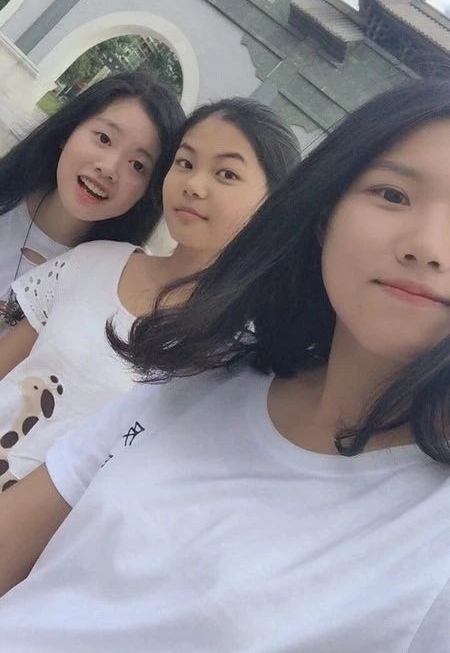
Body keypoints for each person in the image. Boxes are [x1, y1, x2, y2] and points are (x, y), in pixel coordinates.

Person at [0, 78, 448, 652]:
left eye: (228, 174)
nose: (427, 246)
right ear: (323, 212)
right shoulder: (202, 379)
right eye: (392, 194)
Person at [0, 98, 300, 490]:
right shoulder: (93, 261)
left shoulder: (233, 353)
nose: (193, 185)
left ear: (274, 204)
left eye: (226, 173)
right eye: (185, 163)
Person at [0, 69, 185, 335]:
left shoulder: (120, 286)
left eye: (137, 165)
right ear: (68, 131)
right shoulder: (6, 201)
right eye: (104, 138)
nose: (109, 168)